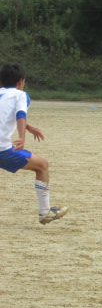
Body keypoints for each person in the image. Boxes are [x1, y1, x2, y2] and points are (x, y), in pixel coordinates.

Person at [0, 63, 68, 224]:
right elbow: (20, 114)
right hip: (2, 150)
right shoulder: (21, 95)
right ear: (20, 81)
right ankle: (45, 212)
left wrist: (28, 127)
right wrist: (22, 138)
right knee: (42, 165)